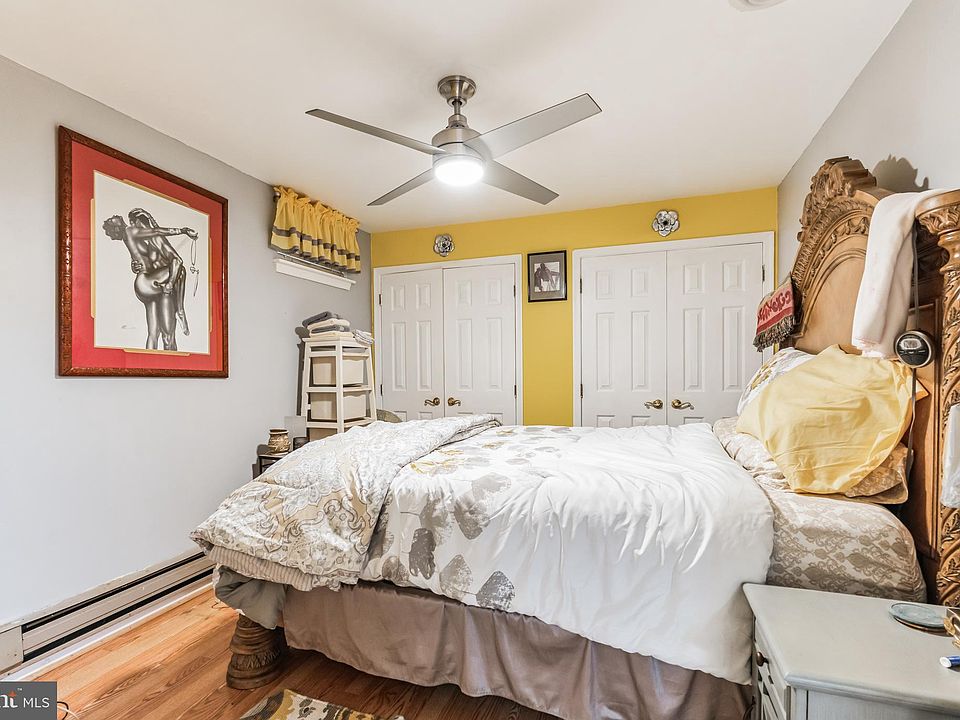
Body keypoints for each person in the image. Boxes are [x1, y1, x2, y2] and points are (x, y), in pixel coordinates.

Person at [102, 209, 196, 351]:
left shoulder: (130, 237)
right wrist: (182, 231)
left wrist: (135, 265)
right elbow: (157, 232)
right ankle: (181, 310)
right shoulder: (129, 231)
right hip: (147, 281)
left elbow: (150, 242)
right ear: (117, 227)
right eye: (112, 219)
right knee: (179, 269)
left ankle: (147, 360)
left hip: (143, 284)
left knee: (153, 334)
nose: (115, 215)